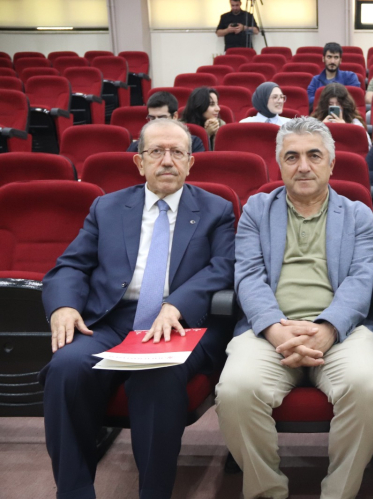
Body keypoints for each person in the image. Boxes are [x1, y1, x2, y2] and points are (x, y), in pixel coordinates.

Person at [40, 119, 235, 499]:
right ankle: (74, 491)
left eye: (177, 152)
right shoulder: (107, 207)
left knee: (156, 373)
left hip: (179, 325)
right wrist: (63, 306)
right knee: (66, 368)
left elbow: (223, 268)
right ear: (139, 162)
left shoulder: (216, 210)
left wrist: (176, 305)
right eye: (156, 152)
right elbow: (71, 265)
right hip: (109, 322)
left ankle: (153, 491)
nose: (167, 160)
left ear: (191, 162)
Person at [215, 117, 373, 499]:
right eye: (292, 157)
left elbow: (363, 277)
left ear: (332, 163)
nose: (303, 166)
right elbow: (248, 276)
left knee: (368, 387)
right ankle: (268, 492)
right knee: (235, 390)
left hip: (342, 332)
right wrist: (275, 328)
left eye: (314, 155)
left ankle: (338, 494)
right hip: (268, 331)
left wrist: (329, 328)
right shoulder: (257, 210)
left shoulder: (357, 213)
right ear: (279, 164)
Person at [126, 91, 205, 153]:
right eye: (152, 118)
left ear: (175, 116)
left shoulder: (193, 143)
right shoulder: (137, 146)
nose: (156, 123)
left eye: (162, 118)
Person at [310, 82, 371, 147]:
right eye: (330, 104)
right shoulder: (315, 121)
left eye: (338, 104)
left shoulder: (355, 122)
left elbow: (367, 145)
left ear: (344, 104)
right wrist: (321, 127)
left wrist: (346, 128)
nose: (334, 106)